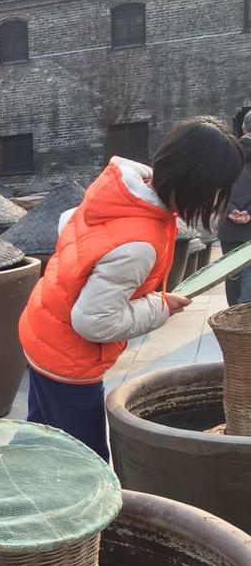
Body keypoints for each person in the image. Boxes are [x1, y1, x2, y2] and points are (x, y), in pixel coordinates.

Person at [19, 116, 243, 460]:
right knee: (86, 459)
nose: (216, 201)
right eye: (217, 190)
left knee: (41, 436)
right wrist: (160, 307)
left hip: (42, 330)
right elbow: (93, 322)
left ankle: (18, 477)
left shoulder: (123, 191)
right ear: (196, 183)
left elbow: (71, 226)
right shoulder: (139, 243)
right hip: (68, 359)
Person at [217, 110, 251, 305]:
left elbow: (214, 188)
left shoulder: (225, 154)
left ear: (243, 128)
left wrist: (230, 210)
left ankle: (233, 317)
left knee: (233, 275)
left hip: (228, 229)